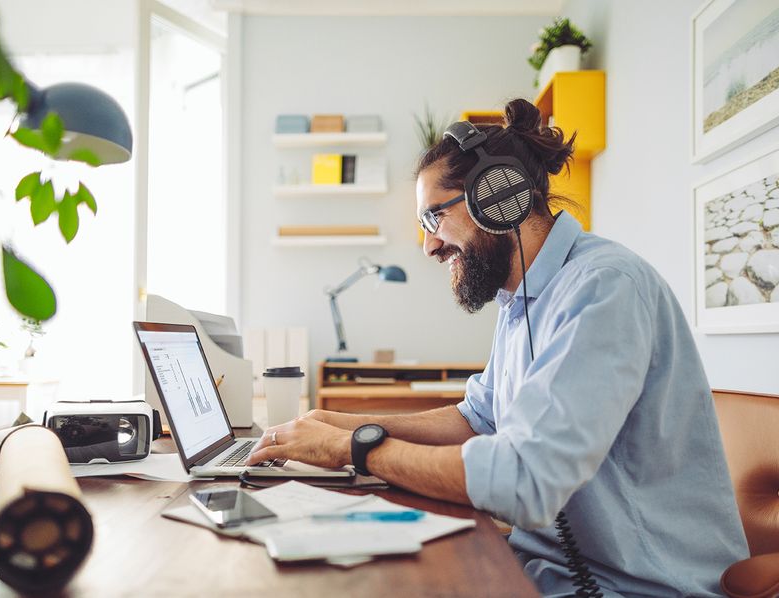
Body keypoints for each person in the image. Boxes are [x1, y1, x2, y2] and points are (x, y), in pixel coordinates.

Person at [248, 98, 749, 596]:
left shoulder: (604, 288)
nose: (428, 246)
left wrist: (354, 449)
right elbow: (479, 418)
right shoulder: (521, 298)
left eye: (432, 219)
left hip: (634, 588)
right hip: (537, 569)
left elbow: (524, 482)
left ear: (497, 196)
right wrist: (340, 424)